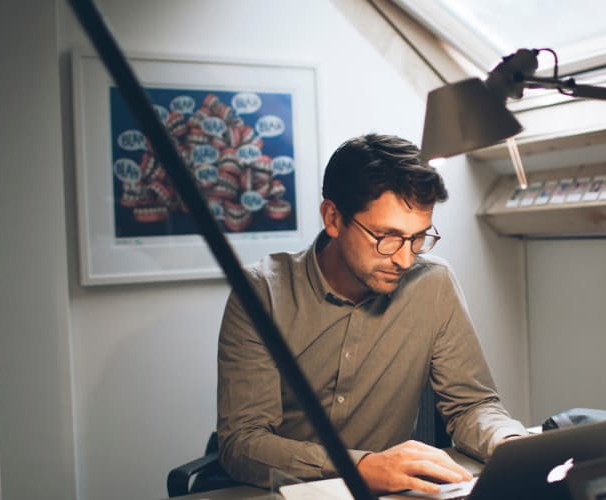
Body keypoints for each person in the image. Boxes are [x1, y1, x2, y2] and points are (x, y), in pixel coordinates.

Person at [216, 133, 527, 494]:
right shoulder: (261, 292)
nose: (405, 258)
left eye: (418, 238)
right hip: (283, 492)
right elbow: (242, 444)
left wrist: (508, 443)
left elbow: (471, 405)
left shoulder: (433, 283)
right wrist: (362, 466)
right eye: (387, 236)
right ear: (333, 218)